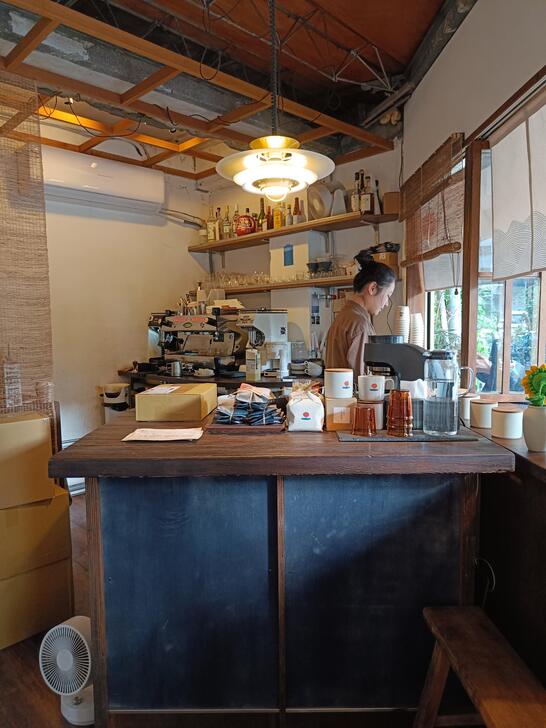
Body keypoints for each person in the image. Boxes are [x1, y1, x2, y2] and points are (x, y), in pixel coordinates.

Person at [325, 261, 396, 377]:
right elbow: (361, 379)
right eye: (388, 295)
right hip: (351, 389)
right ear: (373, 288)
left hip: (335, 387)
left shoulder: (343, 315)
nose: (387, 303)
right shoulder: (359, 324)